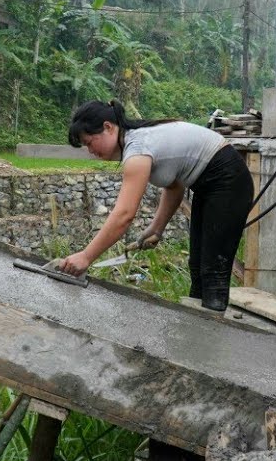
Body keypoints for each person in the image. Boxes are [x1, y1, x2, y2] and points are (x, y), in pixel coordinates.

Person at [54, 100, 253, 312]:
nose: (90, 151)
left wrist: (86, 256)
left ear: (108, 127)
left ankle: (213, 334)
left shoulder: (138, 150)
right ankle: (198, 332)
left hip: (228, 182)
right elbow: (174, 186)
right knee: (198, 267)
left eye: (89, 142)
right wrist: (156, 229)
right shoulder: (139, 140)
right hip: (212, 185)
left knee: (213, 272)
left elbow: (124, 215)